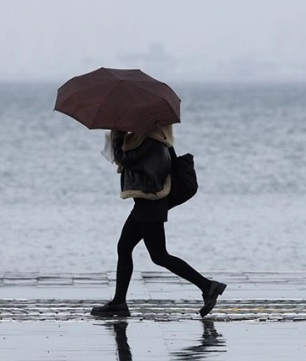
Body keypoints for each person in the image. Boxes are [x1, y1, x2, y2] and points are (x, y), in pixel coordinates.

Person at [91, 125, 226, 318]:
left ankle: (208, 286)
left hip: (151, 201)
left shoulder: (151, 140)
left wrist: (117, 137)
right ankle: (119, 302)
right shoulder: (147, 137)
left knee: (159, 255)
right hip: (146, 202)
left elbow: (126, 160)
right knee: (125, 247)